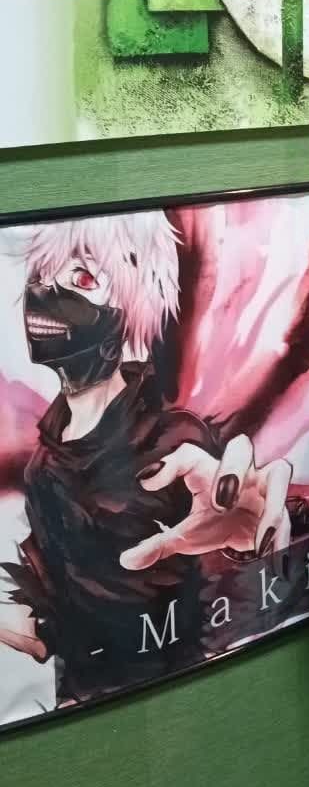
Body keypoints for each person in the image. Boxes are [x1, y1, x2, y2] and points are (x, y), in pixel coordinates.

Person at [0, 211, 292, 705]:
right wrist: (31, 622)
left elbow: (222, 555)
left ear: (128, 311)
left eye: (83, 278)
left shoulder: (174, 443)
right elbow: (51, 616)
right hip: (81, 717)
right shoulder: (43, 469)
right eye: (40, 277)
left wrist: (251, 535)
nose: (46, 293)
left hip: (182, 700)